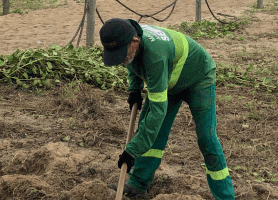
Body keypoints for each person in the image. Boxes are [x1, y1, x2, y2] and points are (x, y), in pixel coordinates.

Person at [100, 18, 235, 200]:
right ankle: (138, 183)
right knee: (148, 127)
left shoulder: (155, 55)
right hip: (169, 79)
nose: (120, 61)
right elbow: (132, 63)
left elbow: (157, 112)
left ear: (134, 42)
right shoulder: (130, 40)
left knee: (206, 137)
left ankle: (225, 196)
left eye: (121, 54)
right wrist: (134, 89)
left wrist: (132, 151)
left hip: (199, 77)